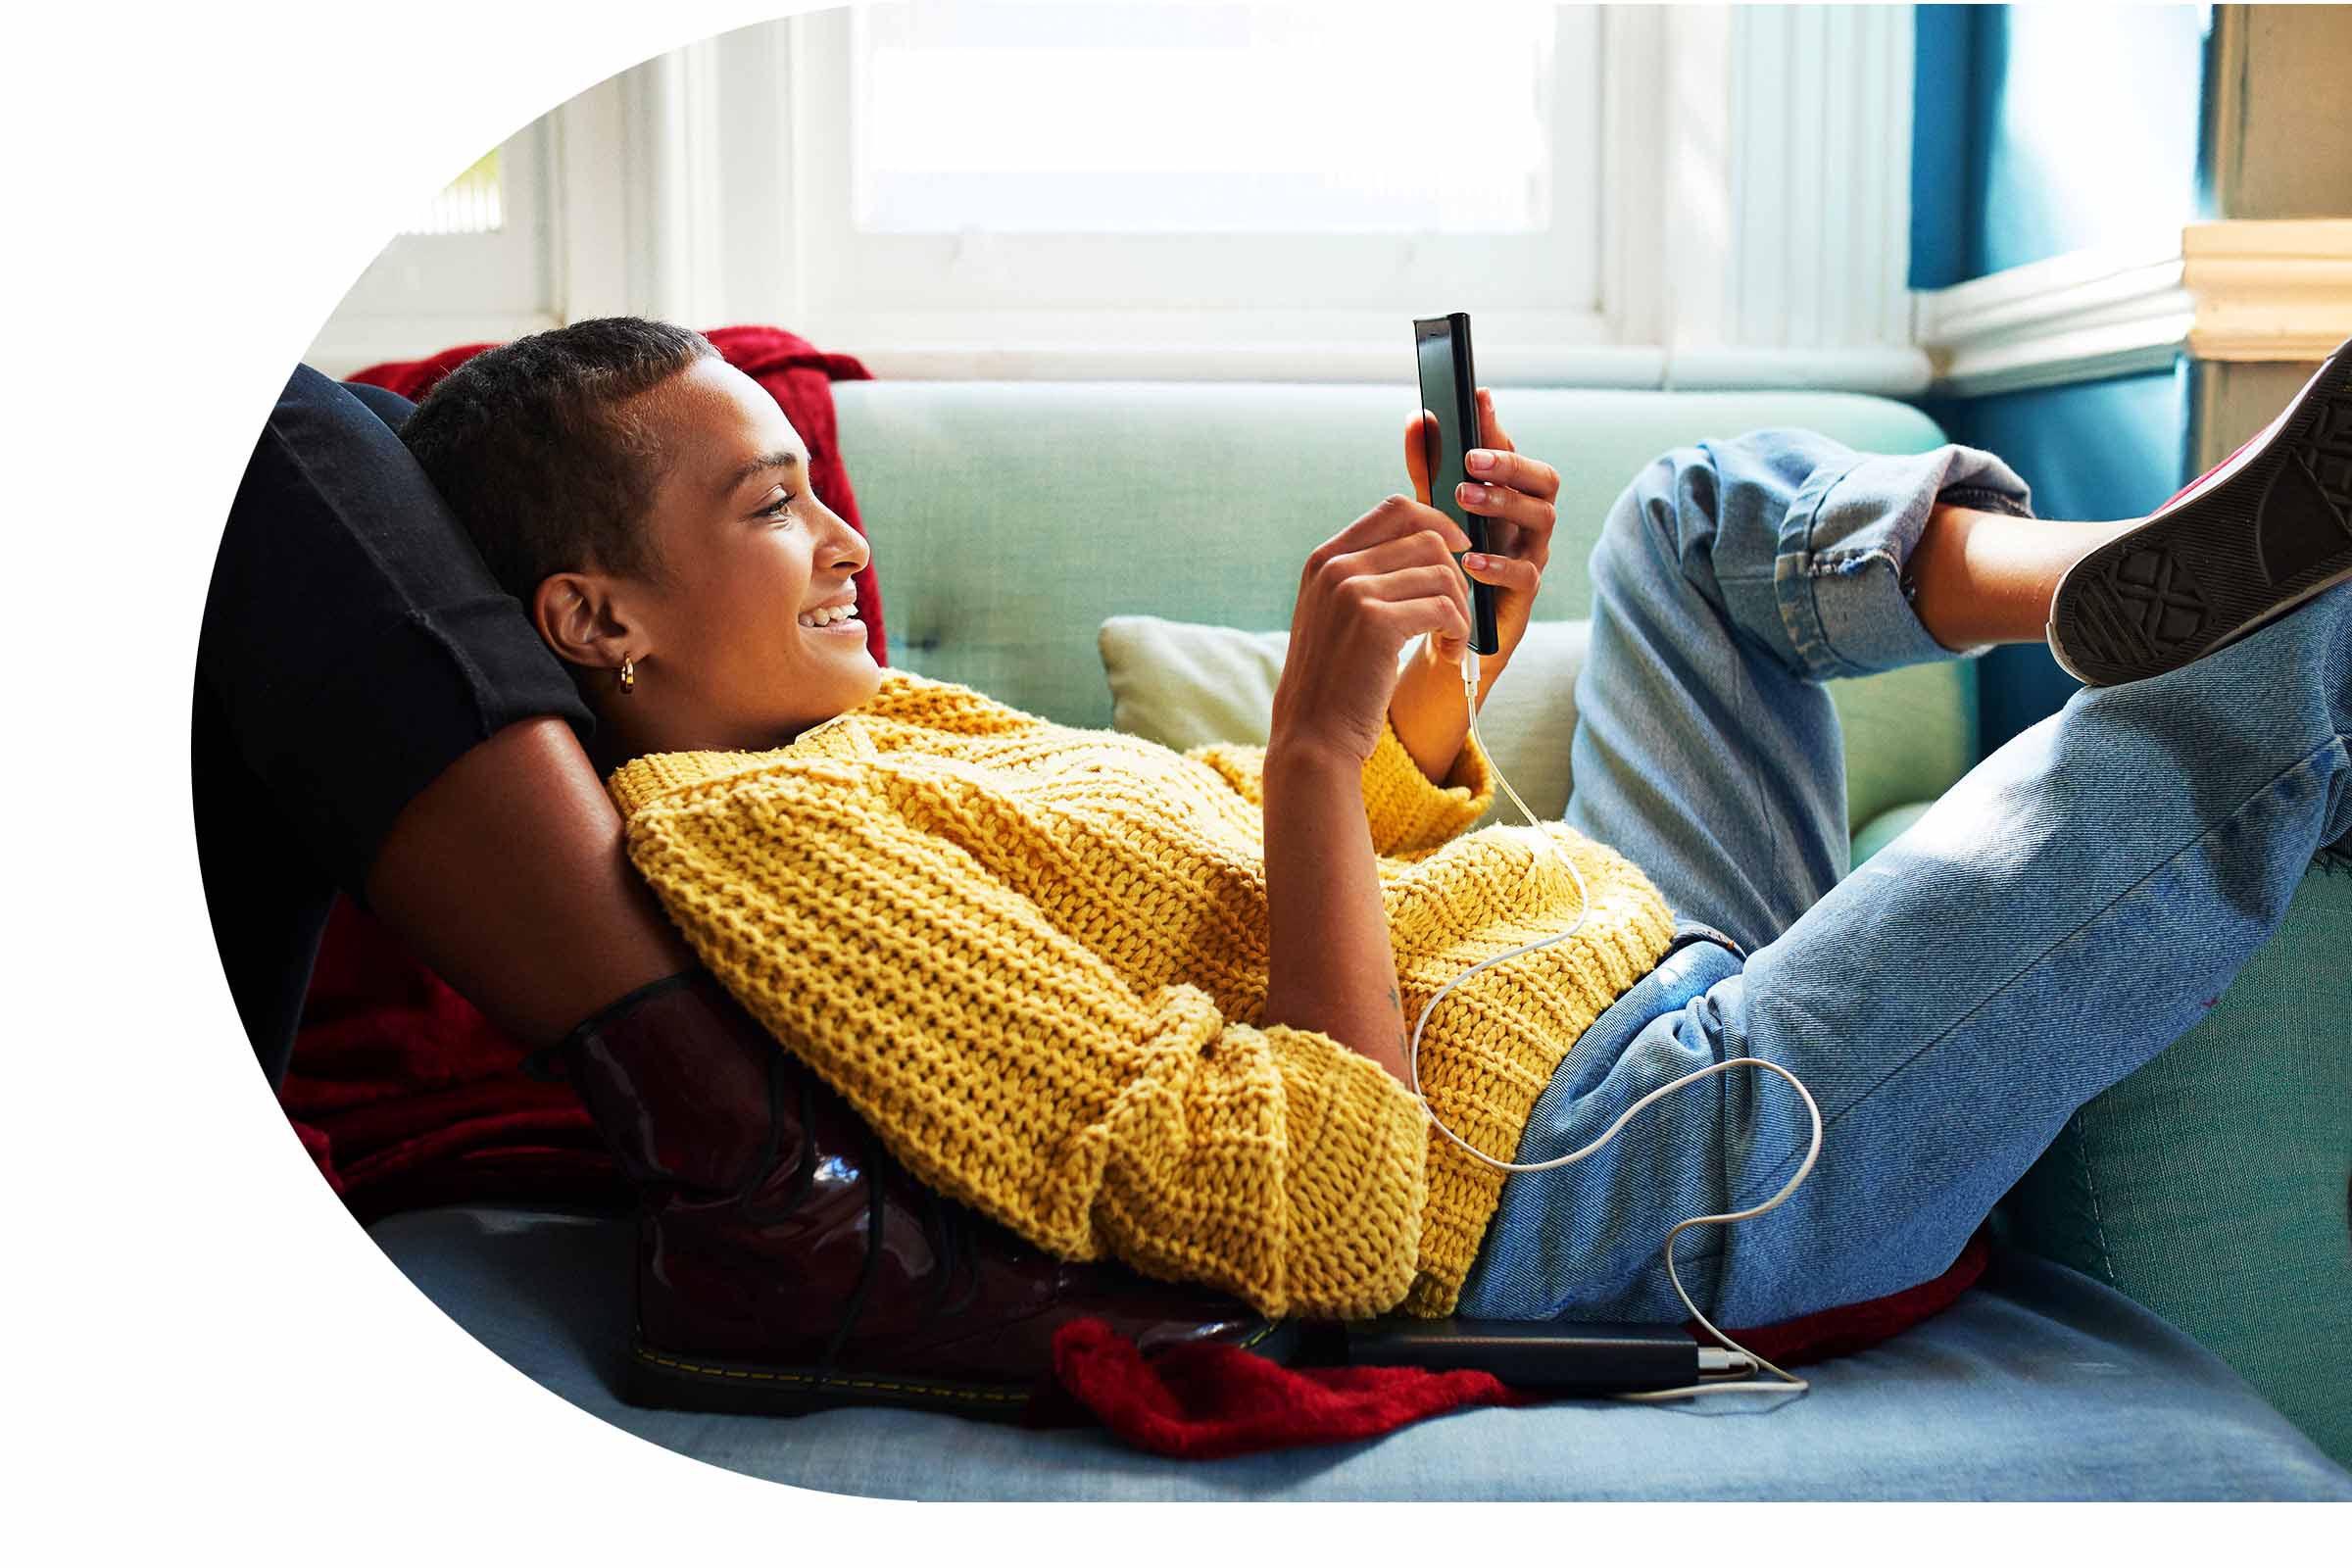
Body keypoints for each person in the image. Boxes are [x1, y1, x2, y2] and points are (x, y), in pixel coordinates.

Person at [200, 318, 2352, 1417]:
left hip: (1618, 981)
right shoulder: (760, 839)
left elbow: (1292, 874)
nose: (844, 540)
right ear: (596, 622)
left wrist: (1423, 695)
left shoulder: (877, 731)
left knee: (1682, 514)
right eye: (771, 506)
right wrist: (1318, 759)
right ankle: (2214, 624)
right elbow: (1322, 1210)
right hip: (1632, 1174)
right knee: (2270, 682)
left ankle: (2105, 574)